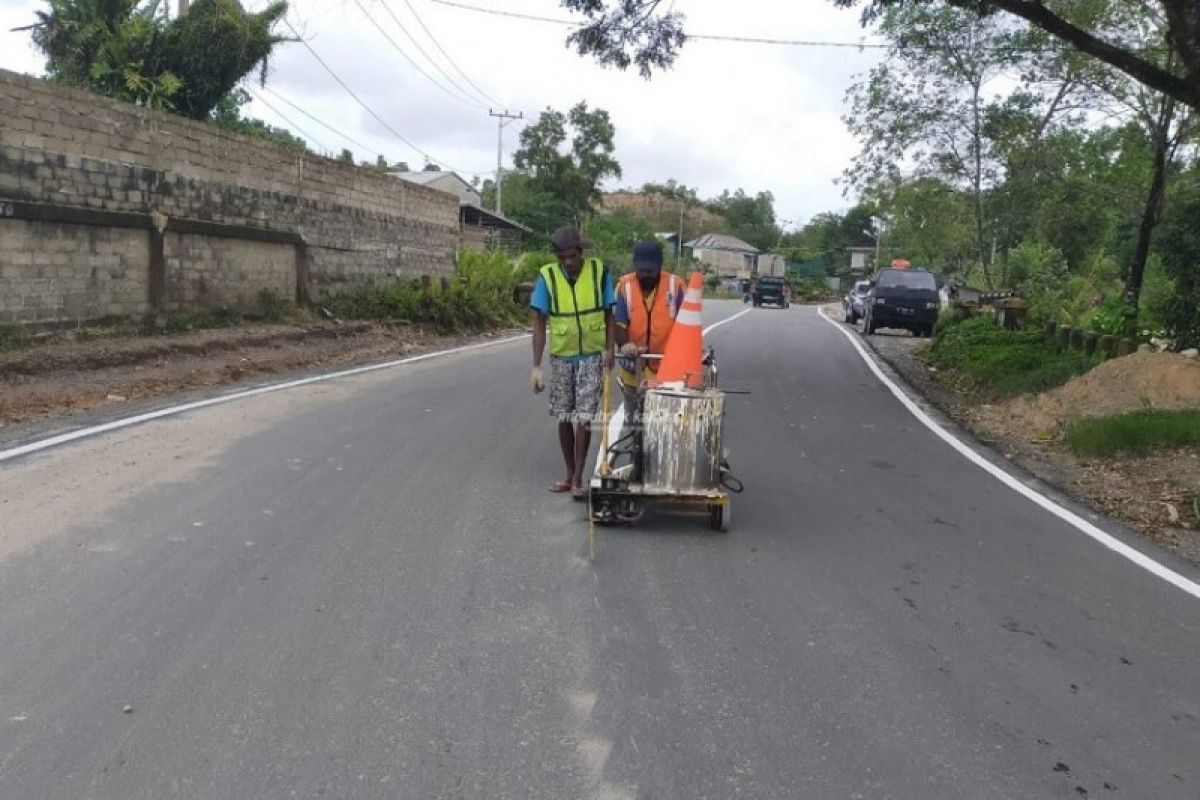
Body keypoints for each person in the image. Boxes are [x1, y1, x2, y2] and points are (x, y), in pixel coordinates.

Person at [530, 225, 616, 500]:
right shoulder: (547, 277)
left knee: (585, 416)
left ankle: (579, 477)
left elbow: (609, 314)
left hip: (591, 354)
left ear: (581, 252)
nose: (568, 262)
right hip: (562, 356)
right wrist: (536, 366)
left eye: (572, 256)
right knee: (564, 415)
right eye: (562, 257)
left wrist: (610, 349)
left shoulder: (599, 272)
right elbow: (539, 323)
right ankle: (569, 474)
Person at [614, 240, 687, 409]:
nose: (646, 274)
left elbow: (685, 327)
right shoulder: (624, 286)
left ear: (660, 265)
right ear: (635, 266)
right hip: (635, 369)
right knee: (634, 422)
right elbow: (618, 322)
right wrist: (624, 344)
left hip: (667, 370)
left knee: (664, 422)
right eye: (641, 270)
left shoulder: (676, 286)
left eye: (650, 270)